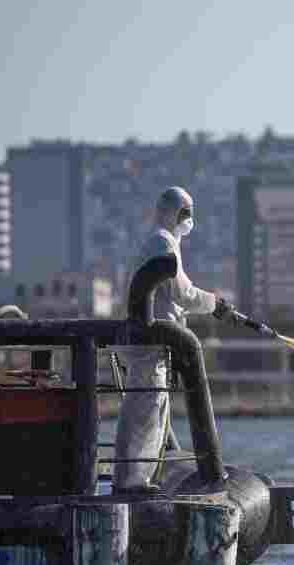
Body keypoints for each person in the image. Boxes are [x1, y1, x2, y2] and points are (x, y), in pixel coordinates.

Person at [113, 186, 233, 493]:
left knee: (155, 408)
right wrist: (215, 303)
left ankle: (142, 478)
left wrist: (210, 302)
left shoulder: (165, 242)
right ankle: (131, 481)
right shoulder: (161, 242)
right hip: (150, 341)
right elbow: (184, 293)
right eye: (185, 213)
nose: (189, 219)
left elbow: (182, 291)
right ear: (171, 212)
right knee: (146, 408)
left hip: (157, 343)